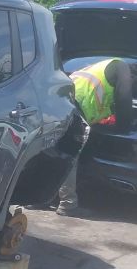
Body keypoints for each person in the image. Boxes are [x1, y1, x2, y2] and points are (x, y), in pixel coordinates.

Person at [56, 58, 135, 216]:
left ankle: (38, 197)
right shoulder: (122, 68)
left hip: (61, 102)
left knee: (54, 151)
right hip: (74, 105)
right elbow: (124, 98)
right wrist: (124, 124)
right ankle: (68, 205)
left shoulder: (102, 67)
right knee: (70, 154)